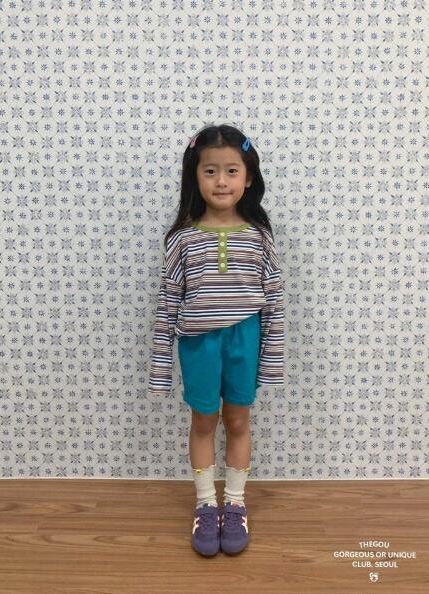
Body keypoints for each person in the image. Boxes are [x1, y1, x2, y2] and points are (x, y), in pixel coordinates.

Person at [147, 124, 284, 556]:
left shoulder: (260, 238)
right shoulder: (182, 240)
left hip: (245, 341)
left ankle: (235, 504)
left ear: (248, 177)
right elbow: (168, 304)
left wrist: (272, 360)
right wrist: (160, 368)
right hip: (199, 347)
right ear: (195, 176)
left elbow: (274, 302)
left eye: (231, 170)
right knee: (204, 423)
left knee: (239, 422)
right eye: (210, 171)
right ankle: (207, 504)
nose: (221, 181)